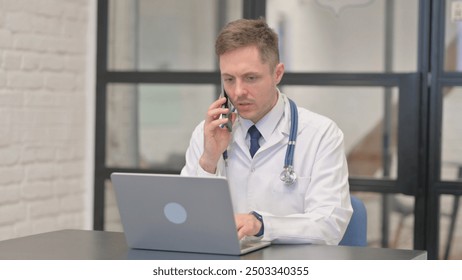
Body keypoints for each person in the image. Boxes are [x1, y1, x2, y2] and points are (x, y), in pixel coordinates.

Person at [181, 18, 352, 245]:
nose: (238, 91)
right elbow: (184, 219)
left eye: (251, 78)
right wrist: (208, 161)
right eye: (229, 79)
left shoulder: (321, 134)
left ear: (277, 73)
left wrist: (261, 225)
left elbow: (329, 225)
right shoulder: (207, 133)